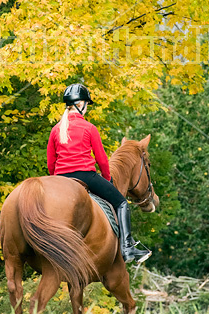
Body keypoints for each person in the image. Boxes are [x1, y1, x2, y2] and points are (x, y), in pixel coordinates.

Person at [47, 83, 149, 263]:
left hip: (61, 179)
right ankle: (127, 248)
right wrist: (107, 179)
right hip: (86, 176)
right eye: (86, 104)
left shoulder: (56, 129)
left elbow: (50, 162)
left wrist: (58, 180)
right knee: (122, 202)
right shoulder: (89, 128)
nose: (86, 109)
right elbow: (102, 159)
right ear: (80, 104)